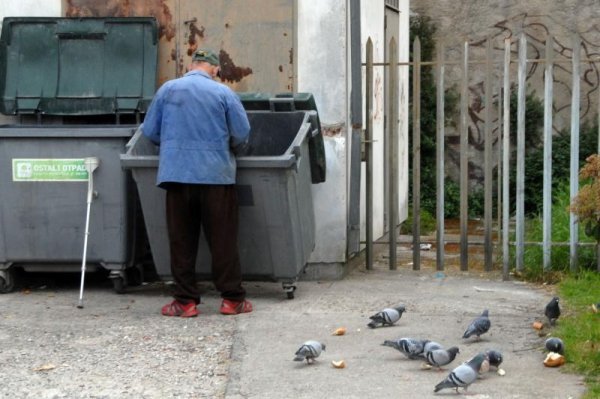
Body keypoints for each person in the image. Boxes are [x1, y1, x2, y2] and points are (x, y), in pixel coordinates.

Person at [141, 48, 253, 317]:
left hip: (176, 175)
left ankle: (185, 302)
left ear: (192, 66)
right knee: (223, 239)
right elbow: (242, 133)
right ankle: (232, 300)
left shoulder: (168, 90)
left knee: (182, 241)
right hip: (216, 176)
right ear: (214, 69)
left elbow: (150, 131)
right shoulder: (224, 93)